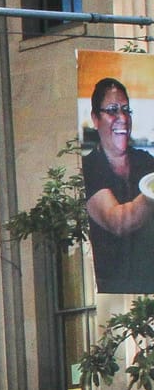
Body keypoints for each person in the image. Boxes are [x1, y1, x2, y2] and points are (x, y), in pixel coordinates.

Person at [82, 76, 154, 294]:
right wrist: (151, 190)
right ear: (95, 118)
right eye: (112, 110)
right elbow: (118, 222)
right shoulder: (90, 167)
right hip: (116, 291)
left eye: (126, 110)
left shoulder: (145, 161)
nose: (122, 117)